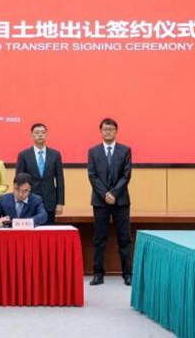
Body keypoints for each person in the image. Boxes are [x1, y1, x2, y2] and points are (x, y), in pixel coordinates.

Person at [87, 118, 133, 286]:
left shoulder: (125, 150)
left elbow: (126, 175)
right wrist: (105, 194)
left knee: (124, 238)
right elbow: (92, 175)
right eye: (105, 129)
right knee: (99, 239)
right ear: (101, 131)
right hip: (100, 201)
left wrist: (114, 193)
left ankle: (127, 274)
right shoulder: (93, 151)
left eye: (111, 129)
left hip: (121, 201)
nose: (108, 132)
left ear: (116, 131)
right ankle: (98, 274)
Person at [15, 123, 65, 224]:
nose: (40, 135)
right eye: (37, 133)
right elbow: (19, 180)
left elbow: (60, 180)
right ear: (32, 135)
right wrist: (19, 199)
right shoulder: (23, 155)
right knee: (30, 231)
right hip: (29, 201)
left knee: (48, 231)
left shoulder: (55, 154)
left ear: (46, 135)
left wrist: (60, 203)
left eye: (43, 132)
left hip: (50, 202)